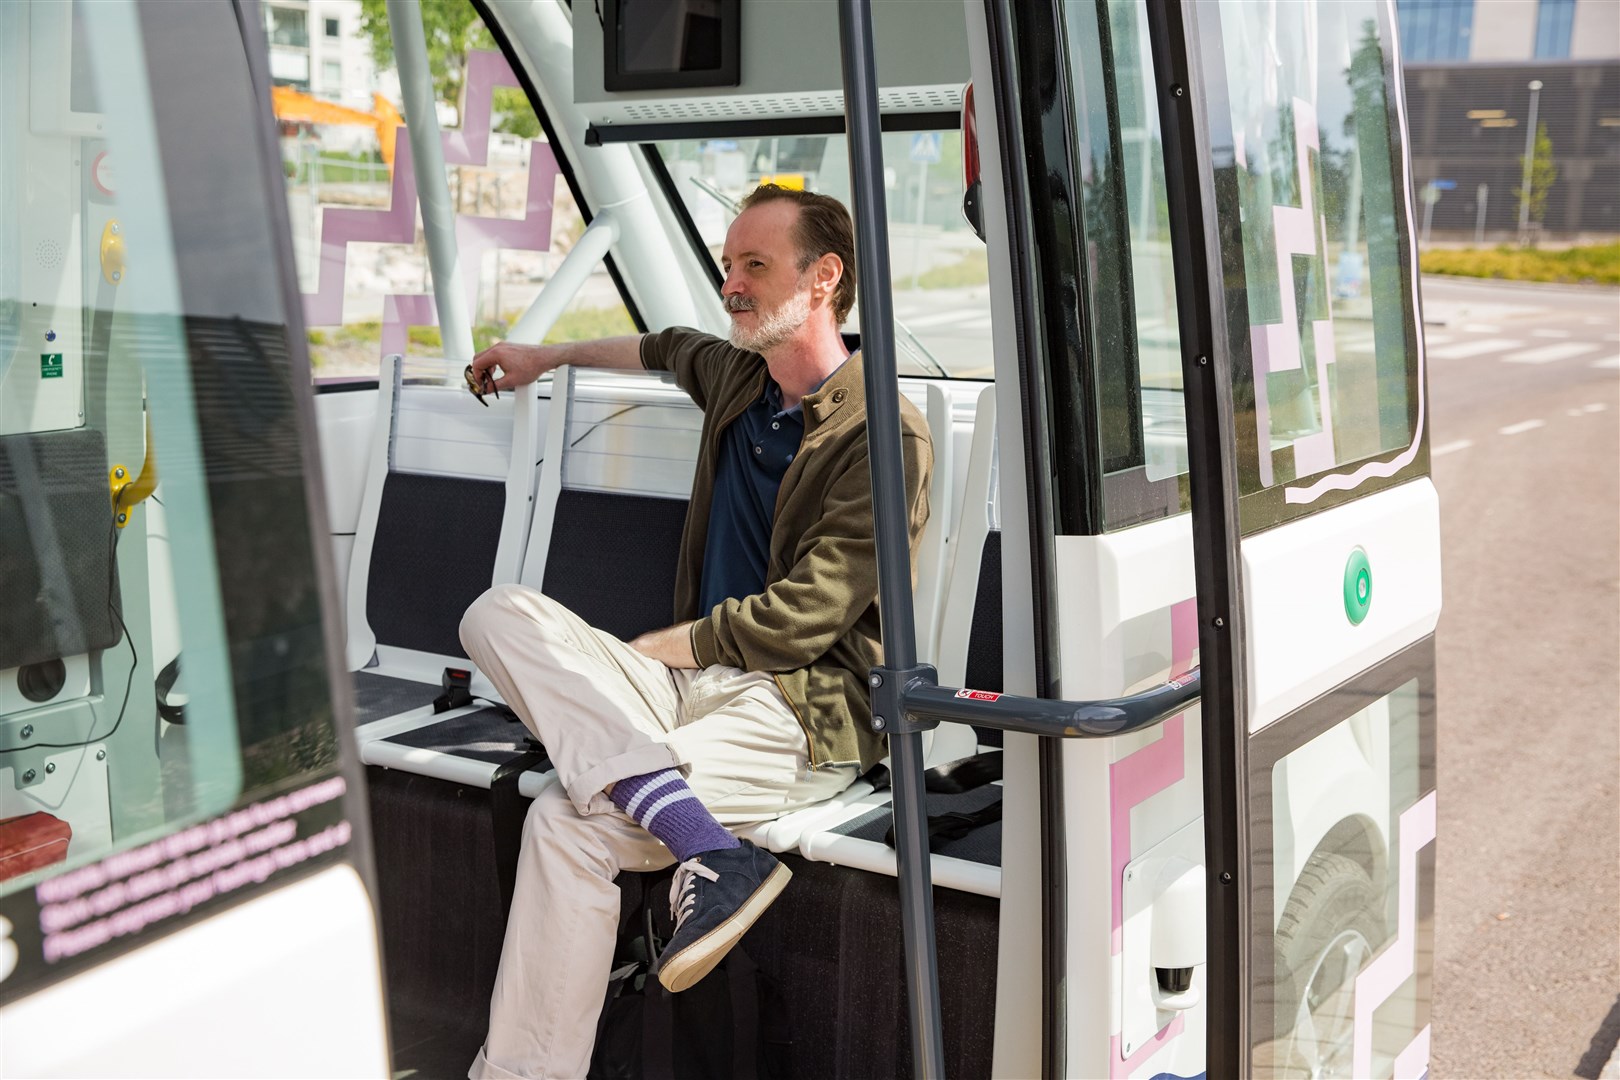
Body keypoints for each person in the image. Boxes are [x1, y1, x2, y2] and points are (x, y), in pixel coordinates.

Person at [458, 184, 933, 1079]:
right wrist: (540, 355)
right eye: (726, 266)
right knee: (496, 613)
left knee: (570, 817)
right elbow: (657, 345)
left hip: (800, 711)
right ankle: (709, 850)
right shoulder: (737, 377)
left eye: (755, 266)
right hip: (686, 691)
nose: (732, 287)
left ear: (824, 277)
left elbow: (808, 616)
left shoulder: (884, 435)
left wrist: (655, 649)